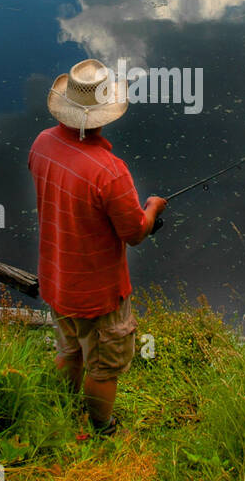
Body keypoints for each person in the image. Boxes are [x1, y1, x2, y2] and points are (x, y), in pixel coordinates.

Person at [27, 58, 166, 436]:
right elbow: (135, 232)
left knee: (69, 348)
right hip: (98, 292)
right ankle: (101, 428)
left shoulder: (42, 143)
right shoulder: (110, 171)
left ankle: (64, 408)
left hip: (56, 278)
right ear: (104, 114)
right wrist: (152, 208)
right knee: (104, 364)